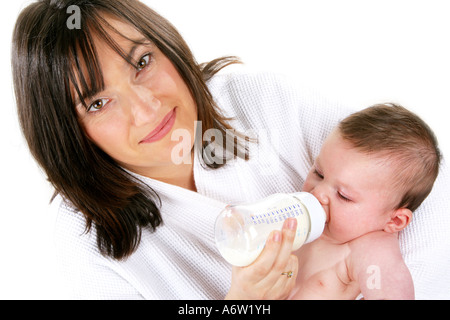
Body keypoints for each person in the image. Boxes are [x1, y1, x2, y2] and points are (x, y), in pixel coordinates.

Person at [11, 0, 450, 299]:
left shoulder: (258, 100)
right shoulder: (86, 242)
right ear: (67, 130)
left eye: (142, 62)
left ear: (167, 45)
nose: (147, 109)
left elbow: (416, 183)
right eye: (98, 102)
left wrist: (376, 257)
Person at [289, 104, 440, 300]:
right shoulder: (299, 217)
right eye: (319, 173)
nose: (318, 193)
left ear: (394, 221)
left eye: (343, 195)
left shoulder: (369, 249)